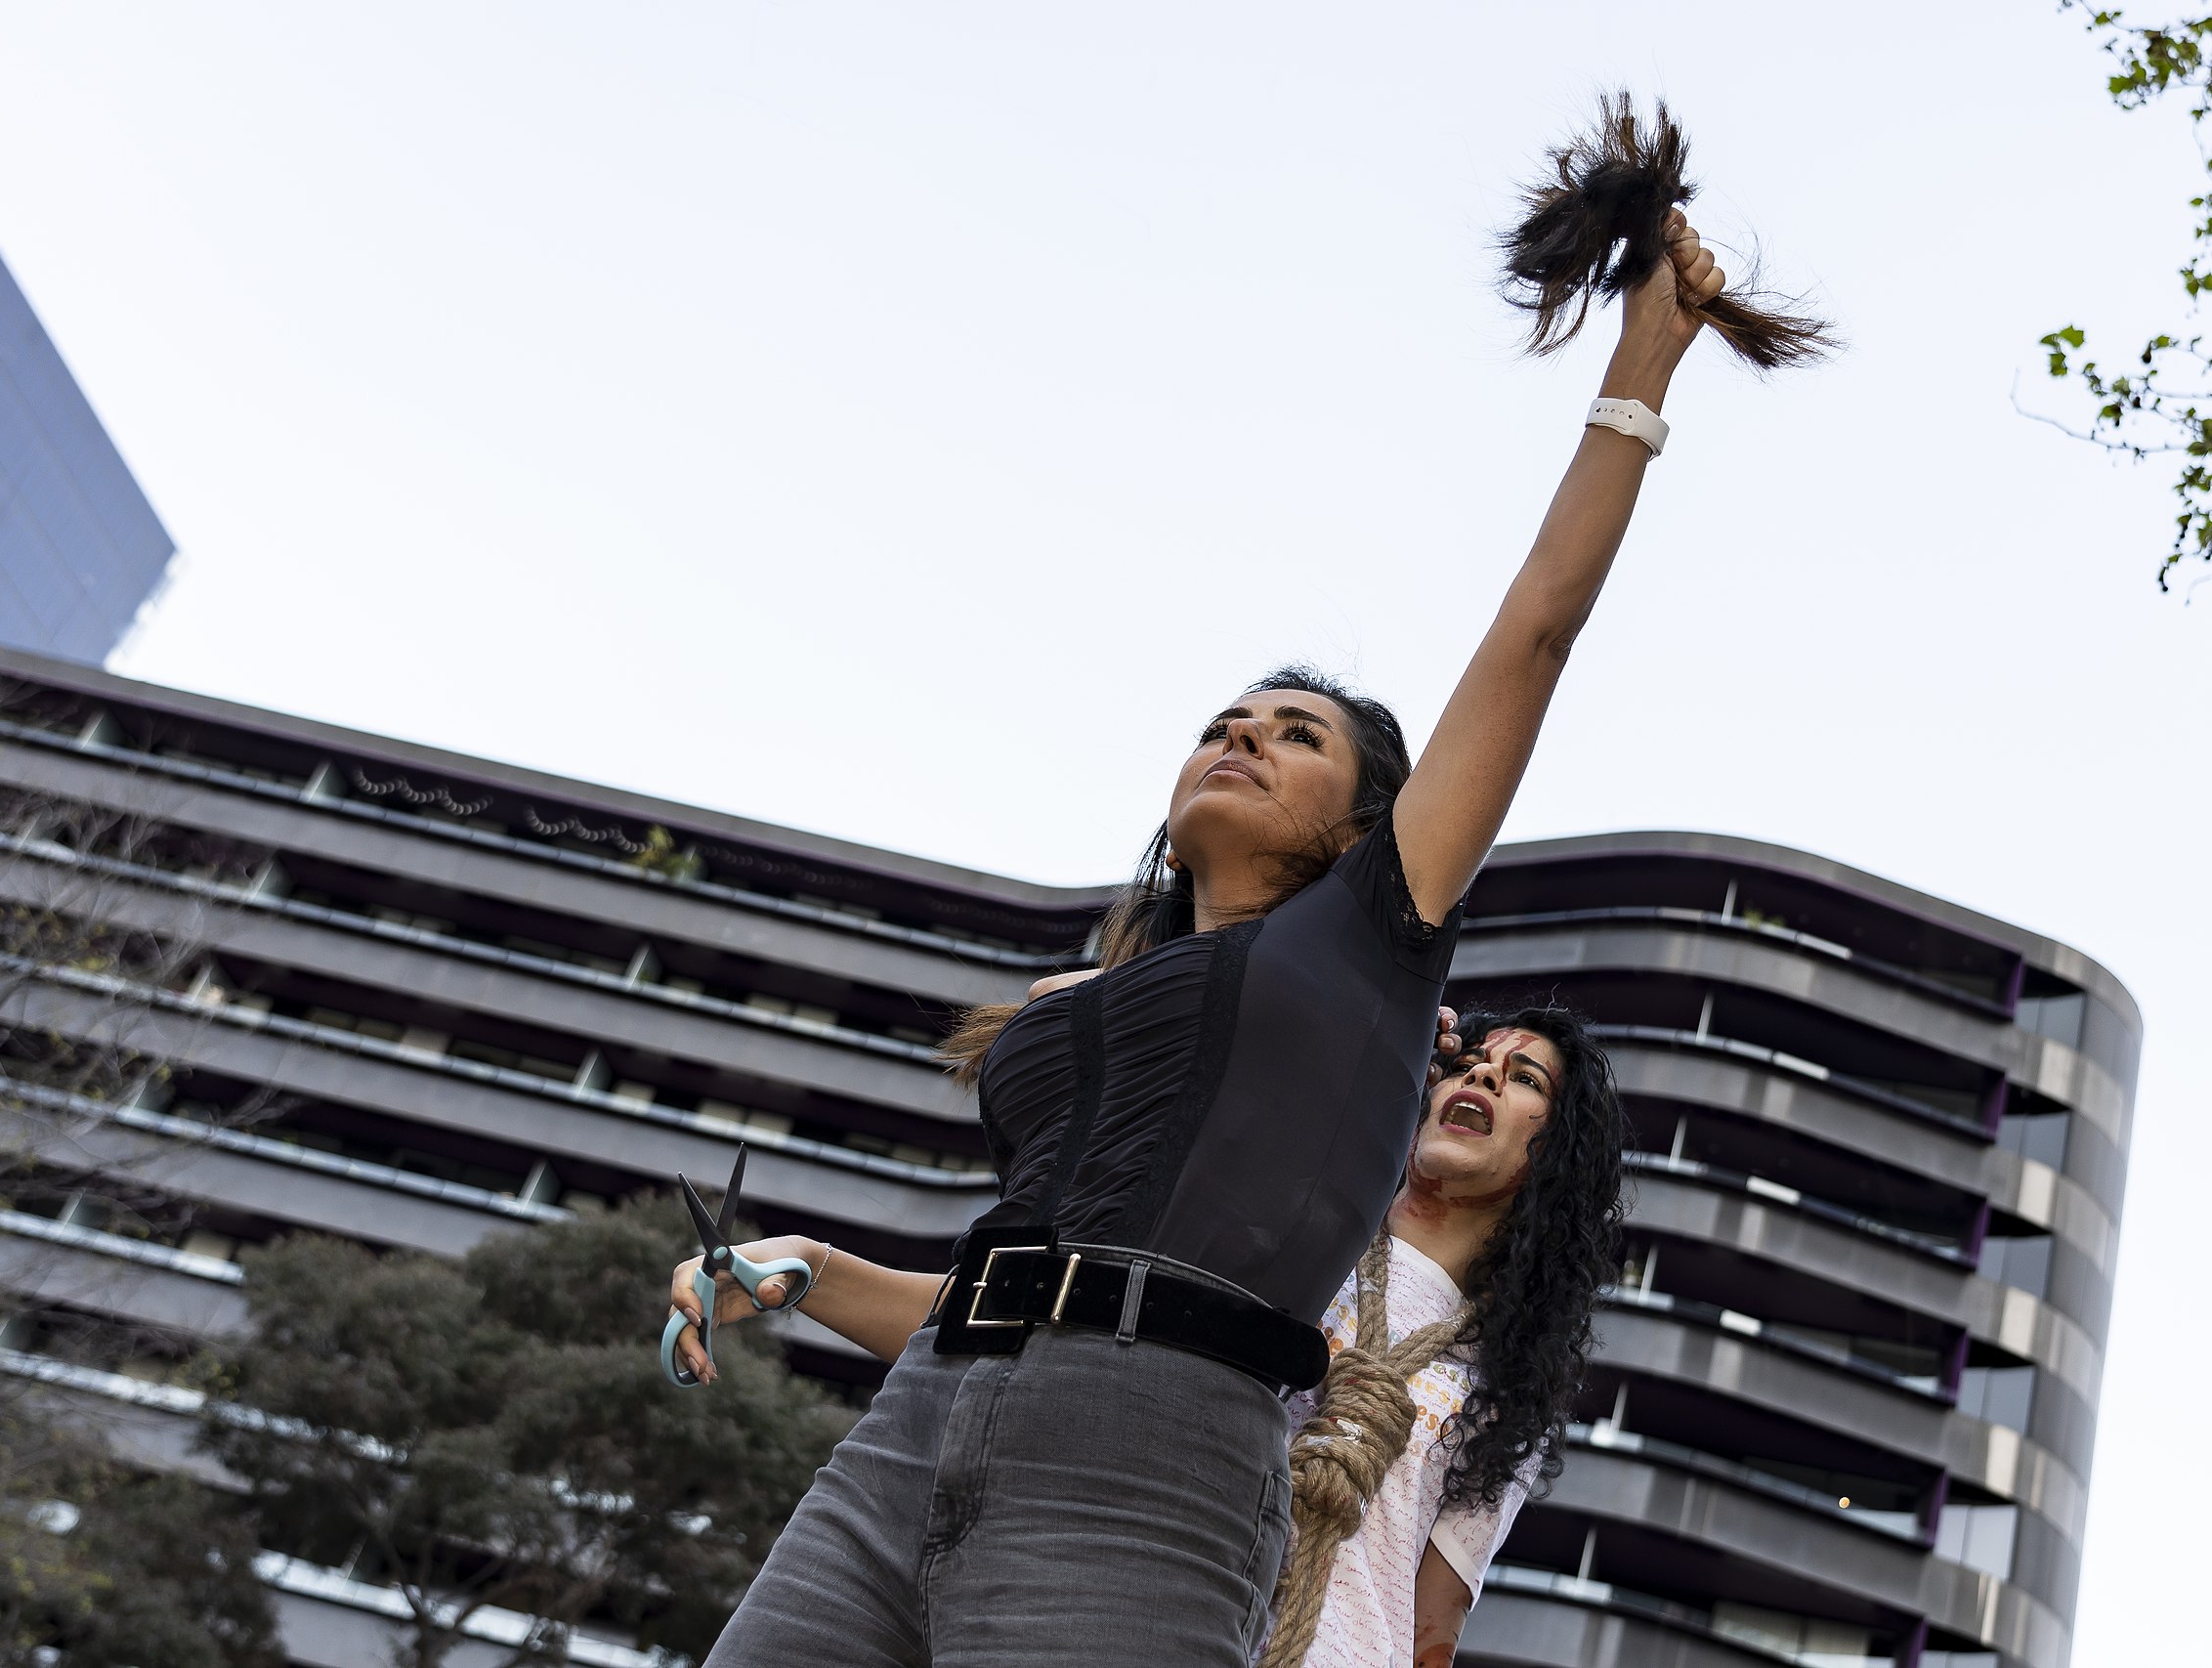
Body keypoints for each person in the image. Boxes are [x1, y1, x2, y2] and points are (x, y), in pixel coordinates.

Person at [669, 103, 1820, 1663]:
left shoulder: (1373, 940)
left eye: (1295, 735)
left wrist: (1642, 370)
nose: (1240, 735)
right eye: (1228, 719)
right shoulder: (1091, 997)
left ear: (1362, 826)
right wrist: (803, 1271)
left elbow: (1536, 631)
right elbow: (1023, 1268)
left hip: (1155, 1451)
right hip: (919, 1424)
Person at [1257, 1006, 1623, 1668]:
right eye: (1465, 1061)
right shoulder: (1293, 1232)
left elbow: (1433, 1629)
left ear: (1554, 1159)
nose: (1482, 1070)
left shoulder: (1504, 1396)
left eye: (1526, 1079)